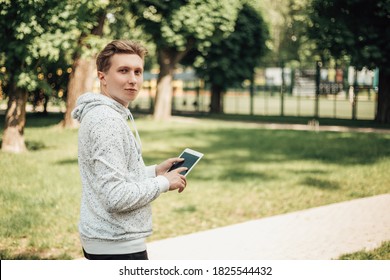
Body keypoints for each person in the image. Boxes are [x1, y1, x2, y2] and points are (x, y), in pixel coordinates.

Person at [71, 40, 187, 260]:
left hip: (108, 240)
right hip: (116, 245)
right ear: (102, 77)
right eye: (123, 71)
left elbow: (110, 178)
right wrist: (163, 183)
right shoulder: (106, 121)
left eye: (138, 71)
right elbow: (115, 197)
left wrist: (154, 172)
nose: (133, 79)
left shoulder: (108, 115)